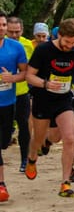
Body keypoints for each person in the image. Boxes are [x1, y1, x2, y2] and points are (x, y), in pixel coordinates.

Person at [25, 18, 74, 197]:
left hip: (64, 100)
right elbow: (29, 76)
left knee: (69, 138)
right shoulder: (43, 50)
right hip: (43, 99)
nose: (70, 46)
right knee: (39, 139)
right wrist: (46, 84)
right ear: (59, 35)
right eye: (67, 42)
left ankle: (65, 182)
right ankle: (32, 158)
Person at [0, 13, 28, 202]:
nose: (1, 28)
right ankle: (1, 184)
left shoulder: (16, 47)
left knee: (3, 142)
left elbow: (26, 73)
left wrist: (13, 78)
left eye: (3, 24)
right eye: (0, 25)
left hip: (8, 103)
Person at [5, 17, 33, 173]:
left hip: (21, 92)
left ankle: (25, 159)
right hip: (3, 94)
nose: (14, 35)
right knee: (5, 131)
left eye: (17, 32)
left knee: (24, 127)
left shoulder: (27, 45)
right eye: (11, 32)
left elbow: (33, 68)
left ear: (22, 30)